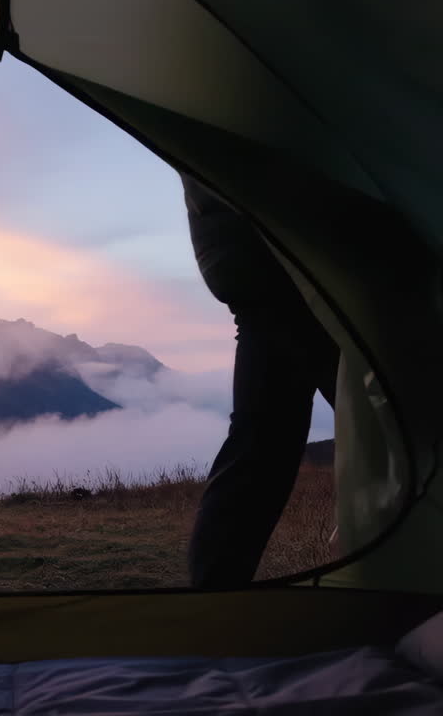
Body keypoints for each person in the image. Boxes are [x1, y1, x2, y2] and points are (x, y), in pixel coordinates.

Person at [180, 173, 338, 588]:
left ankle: (214, 593)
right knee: (405, 425)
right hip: (305, 266)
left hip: (249, 267)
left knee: (259, 443)